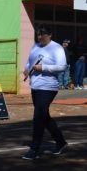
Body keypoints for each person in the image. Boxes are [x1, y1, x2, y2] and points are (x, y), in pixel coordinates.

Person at [22, 25, 68, 160]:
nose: (40, 37)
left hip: (48, 87)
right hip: (35, 86)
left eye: (43, 34)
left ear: (50, 34)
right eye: (38, 34)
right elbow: (29, 61)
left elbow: (62, 67)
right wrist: (26, 69)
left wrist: (43, 67)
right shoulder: (36, 46)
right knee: (44, 117)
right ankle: (60, 141)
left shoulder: (56, 48)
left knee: (38, 117)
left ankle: (34, 149)